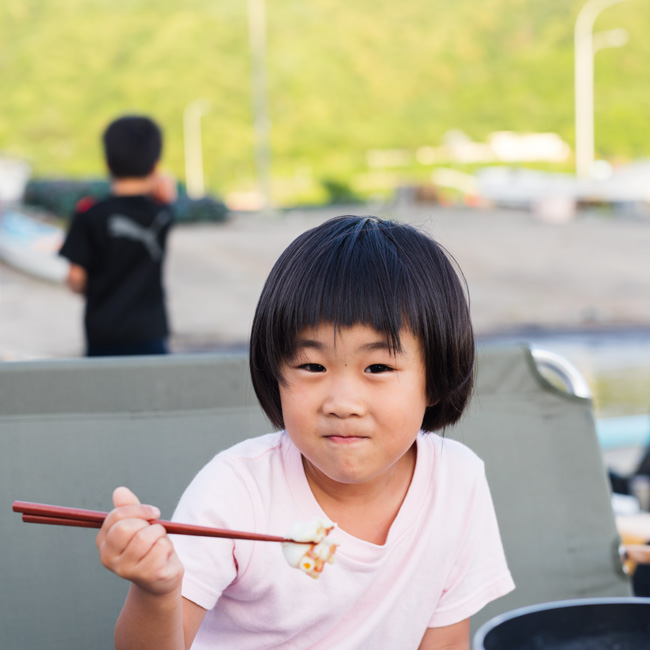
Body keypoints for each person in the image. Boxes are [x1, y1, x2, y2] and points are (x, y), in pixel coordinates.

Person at [96, 215, 515, 649]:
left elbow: (445, 644)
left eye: (378, 367)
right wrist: (155, 589)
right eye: (312, 366)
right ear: (274, 374)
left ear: (436, 378)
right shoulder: (238, 490)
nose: (342, 403)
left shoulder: (456, 482)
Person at [59, 115, 176, 356]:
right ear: (154, 165)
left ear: (107, 164)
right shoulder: (163, 215)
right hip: (150, 331)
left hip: (103, 332)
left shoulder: (89, 214)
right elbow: (166, 195)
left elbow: (75, 280)